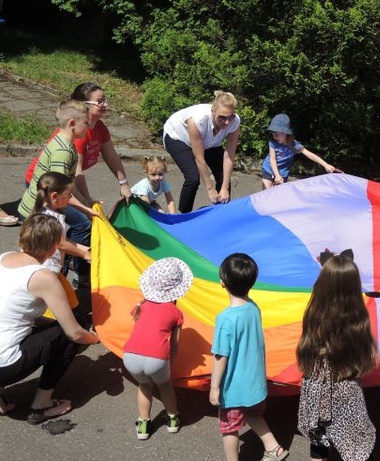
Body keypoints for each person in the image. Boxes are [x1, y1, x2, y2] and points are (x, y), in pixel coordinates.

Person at [23, 83, 132, 281]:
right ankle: (69, 274)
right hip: (44, 196)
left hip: (57, 193)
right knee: (70, 230)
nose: (106, 104)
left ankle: (62, 273)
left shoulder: (87, 131)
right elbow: (68, 180)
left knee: (58, 235)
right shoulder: (66, 147)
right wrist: (85, 206)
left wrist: (122, 183)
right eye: (100, 101)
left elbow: (107, 157)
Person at [0, 214, 99, 422]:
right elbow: (74, 332)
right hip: (5, 364)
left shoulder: (4, 258)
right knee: (77, 323)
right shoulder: (43, 277)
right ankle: (41, 404)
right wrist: (95, 338)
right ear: (54, 248)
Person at [297, 251, 378, 461]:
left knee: (318, 441)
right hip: (346, 389)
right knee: (353, 442)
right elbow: (365, 358)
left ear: (322, 285)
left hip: (315, 388)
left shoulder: (313, 314)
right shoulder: (358, 318)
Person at [209, 253, 288, 461]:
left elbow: (220, 357)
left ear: (222, 282)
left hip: (234, 390)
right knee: (253, 414)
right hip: (255, 385)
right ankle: (274, 448)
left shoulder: (225, 319)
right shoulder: (253, 307)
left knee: (229, 429)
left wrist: (215, 387)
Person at [122, 257, 192, 440]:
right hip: (157, 359)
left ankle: (143, 424)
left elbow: (140, 332)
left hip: (130, 356)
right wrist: (169, 363)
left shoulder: (141, 305)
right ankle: (172, 420)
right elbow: (175, 344)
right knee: (165, 385)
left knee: (144, 385)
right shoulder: (176, 312)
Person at [163, 91, 241, 213]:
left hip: (209, 142)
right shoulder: (198, 120)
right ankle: (184, 216)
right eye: (222, 117)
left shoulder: (235, 122)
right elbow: (199, 158)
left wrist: (224, 187)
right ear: (213, 111)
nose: (226, 122)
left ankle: (221, 212)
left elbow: (229, 156)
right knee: (193, 178)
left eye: (230, 117)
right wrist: (210, 189)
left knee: (223, 176)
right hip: (178, 137)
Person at [31, 172, 94, 317]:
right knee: (56, 302)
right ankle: (60, 321)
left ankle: (69, 316)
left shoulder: (48, 213)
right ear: (54, 196)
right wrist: (85, 254)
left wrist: (87, 250)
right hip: (46, 270)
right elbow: (61, 244)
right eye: (68, 196)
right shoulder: (50, 220)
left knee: (68, 299)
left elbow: (63, 242)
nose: (70, 199)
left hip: (50, 269)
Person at [260, 113, 339, 190]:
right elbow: (272, 159)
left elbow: (309, 154)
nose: (274, 137)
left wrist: (325, 165)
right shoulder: (273, 143)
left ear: (285, 132)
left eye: (276, 134)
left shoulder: (294, 145)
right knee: (266, 193)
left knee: (277, 194)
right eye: (273, 134)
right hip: (268, 169)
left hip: (282, 173)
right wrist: (276, 175)